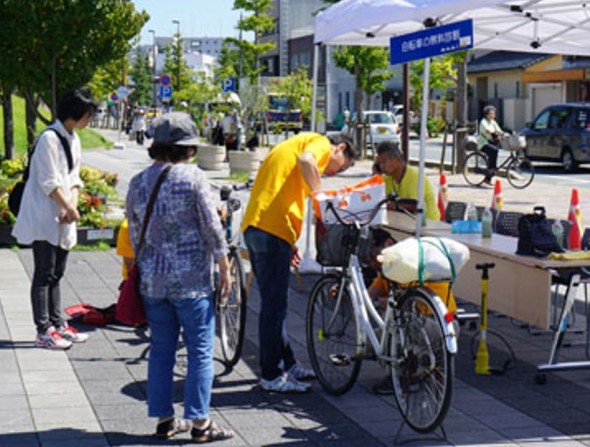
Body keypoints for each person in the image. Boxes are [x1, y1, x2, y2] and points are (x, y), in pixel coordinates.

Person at [126, 112, 234, 443]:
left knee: (161, 349)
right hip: (191, 282)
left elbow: (132, 231)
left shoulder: (138, 182)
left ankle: (164, 420)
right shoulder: (193, 178)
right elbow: (211, 225)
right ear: (187, 147)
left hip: (153, 281)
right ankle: (200, 424)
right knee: (201, 349)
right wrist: (225, 263)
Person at [241, 132, 356, 393]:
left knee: (275, 304)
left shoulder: (293, 144)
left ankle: (288, 364)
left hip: (259, 226)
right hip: (270, 230)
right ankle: (271, 375)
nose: (330, 172)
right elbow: (307, 161)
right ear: (341, 148)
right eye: (342, 167)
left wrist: (290, 241)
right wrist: (321, 200)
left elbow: (280, 190)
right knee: (273, 307)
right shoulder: (320, 144)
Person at [12, 88, 97, 349]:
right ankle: (43, 330)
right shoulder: (49, 138)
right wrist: (67, 207)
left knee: (57, 273)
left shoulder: (73, 138)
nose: (90, 121)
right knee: (44, 272)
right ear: (76, 113)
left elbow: (74, 177)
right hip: (43, 214)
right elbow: (47, 182)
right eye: (88, 115)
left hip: (61, 214)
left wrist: (70, 205)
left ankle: (58, 323)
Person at [374, 141, 440, 221]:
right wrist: (375, 175)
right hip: (403, 220)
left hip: (427, 222)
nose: (382, 166)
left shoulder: (415, 175)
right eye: (379, 163)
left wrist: (394, 205)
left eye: (384, 162)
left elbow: (415, 205)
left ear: (397, 160)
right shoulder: (386, 178)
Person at [477, 105, 505, 185]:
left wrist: (503, 134)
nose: (493, 115)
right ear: (486, 115)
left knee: (494, 153)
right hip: (483, 143)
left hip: (491, 142)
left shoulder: (493, 122)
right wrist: (494, 134)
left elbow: (499, 130)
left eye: (494, 114)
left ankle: (488, 178)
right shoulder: (483, 122)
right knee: (494, 151)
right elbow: (487, 130)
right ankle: (492, 169)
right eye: (491, 114)